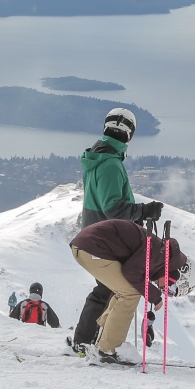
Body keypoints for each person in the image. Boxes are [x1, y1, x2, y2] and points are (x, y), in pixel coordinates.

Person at [70, 108, 163, 354]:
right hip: (105, 239)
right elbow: (113, 208)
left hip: (98, 233)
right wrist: (144, 211)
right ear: (129, 134)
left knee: (108, 290)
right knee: (107, 291)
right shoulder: (110, 164)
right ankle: (86, 343)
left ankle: (88, 341)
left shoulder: (100, 159)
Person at [68, 218, 187, 365]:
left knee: (123, 291)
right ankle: (108, 350)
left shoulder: (161, 253)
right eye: (169, 288)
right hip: (93, 248)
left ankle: (102, 342)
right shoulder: (160, 254)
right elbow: (131, 273)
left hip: (86, 246)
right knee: (130, 293)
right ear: (172, 275)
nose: (164, 290)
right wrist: (154, 296)